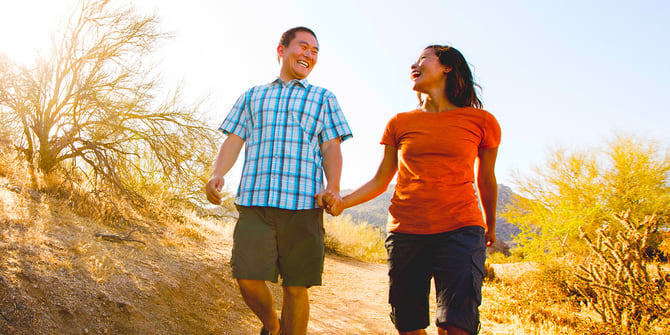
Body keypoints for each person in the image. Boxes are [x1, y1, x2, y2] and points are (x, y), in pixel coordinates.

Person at [317, 45, 500, 335]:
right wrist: (343, 202)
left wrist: (489, 227)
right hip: (406, 233)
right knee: (409, 325)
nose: (414, 65)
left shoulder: (482, 121)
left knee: (457, 325)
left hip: (461, 228)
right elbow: (381, 179)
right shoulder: (400, 122)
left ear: (447, 67)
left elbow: (486, 178)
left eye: (423, 59)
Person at [206, 26, 352, 335]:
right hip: (255, 203)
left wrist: (334, 187)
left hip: (303, 207)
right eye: (303, 47)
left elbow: (331, 148)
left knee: (297, 287)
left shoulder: (324, 98)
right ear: (281, 49)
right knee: (246, 276)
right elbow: (233, 141)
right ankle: (271, 324)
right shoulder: (253, 95)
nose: (309, 55)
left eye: (315, 51)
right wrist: (217, 173)